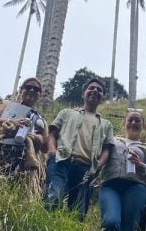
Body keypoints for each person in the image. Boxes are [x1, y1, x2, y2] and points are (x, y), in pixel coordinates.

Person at [44, 78, 114, 219]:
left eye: (99, 90)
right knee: (53, 200)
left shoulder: (106, 124)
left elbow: (107, 149)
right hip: (61, 161)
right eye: (91, 88)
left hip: (86, 169)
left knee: (78, 214)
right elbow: (52, 133)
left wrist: (97, 166)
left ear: (103, 98)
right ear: (83, 93)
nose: (95, 91)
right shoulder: (66, 113)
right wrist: (52, 150)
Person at [98, 109, 146, 231]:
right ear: (124, 124)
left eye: (137, 120)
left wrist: (140, 165)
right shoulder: (112, 140)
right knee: (110, 222)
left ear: (143, 125)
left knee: (128, 230)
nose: (133, 123)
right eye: (130, 120)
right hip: (110, 185)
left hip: (135, 187)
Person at [0, 77, 49, 198]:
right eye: (28, 87)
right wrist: (13, 121)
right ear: (20, 90)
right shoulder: (7, 104)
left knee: (18, 194)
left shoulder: (41, 119)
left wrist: (36, 138)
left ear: (40, 94)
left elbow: (45, 148)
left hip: (26, 160)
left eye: (36, 89)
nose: (32, 90)